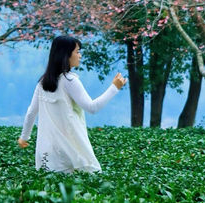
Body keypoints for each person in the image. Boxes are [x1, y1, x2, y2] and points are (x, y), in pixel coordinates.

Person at [17, 35, 126, 173]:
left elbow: (31, 112)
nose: (80, 55)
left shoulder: (43, 82)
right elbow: (92, 108)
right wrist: (114, 88)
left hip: (46, 152)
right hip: (69, 152)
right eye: (77, 51)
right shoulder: (70, 81)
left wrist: (24, 137)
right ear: (66, 55)